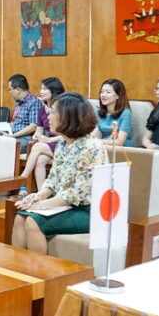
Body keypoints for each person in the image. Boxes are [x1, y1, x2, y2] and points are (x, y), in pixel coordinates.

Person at [12, 93, 108, 253]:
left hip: (87, 210)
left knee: (33, 221)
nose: (48, 115)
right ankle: (18, 271)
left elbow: (76, 194)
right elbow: (53, 178)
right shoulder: (63, 143)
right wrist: (38, 196)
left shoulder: (92, 147)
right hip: (65, 205)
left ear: (68, 117)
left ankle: (38, 275)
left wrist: (42, 206)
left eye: (53, 112)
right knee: (19, 217)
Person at [20, 77, 65, 190]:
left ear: (54, 91)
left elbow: (69, 134)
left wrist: (49, 140)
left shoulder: (63, 108)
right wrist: (37, 137)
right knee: (40, 160)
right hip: (50, 145)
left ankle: (22, 180)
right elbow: (38, 131)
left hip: (63, 143)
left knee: (38, 147)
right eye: (41, 89)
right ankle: (41, 193)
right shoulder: (42, 110)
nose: (41, 92)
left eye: (45, 89)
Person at [92, 79, 133, 147]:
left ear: (118, 95)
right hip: (103, 147)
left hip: (122, 150)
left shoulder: (126, 113)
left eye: (108, 92)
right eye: (102, 92)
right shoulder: (98, 112)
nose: (103, 95)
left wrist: (97, 141)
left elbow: (120, 142)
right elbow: (94, 134)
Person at [6, 74, 41, 152]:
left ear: (18, 90)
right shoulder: (19, 102)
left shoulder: (34, 102)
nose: (9, 92)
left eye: (10, 89)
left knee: (3, 148)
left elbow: (33, 126)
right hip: (13, 135)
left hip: (25, 138)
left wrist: (12, 136)